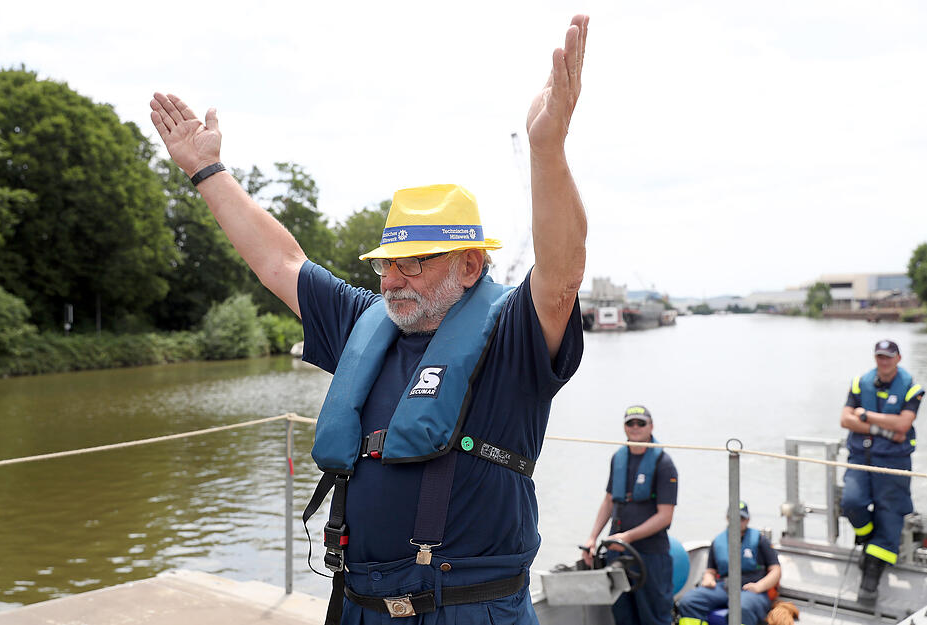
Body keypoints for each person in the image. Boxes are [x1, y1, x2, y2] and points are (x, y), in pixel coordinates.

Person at [150, 15, 589, 625]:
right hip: (358, 607)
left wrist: (546, 152)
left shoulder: (513, 337)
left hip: (467, 611)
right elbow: (281, 261)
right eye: (385, 264)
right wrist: (207, 171)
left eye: (411, 265)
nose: (390, 280)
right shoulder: (367, 321)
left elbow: (561, 276)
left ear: (468, 266)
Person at [840, 339, 923, 604]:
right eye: (879, 357)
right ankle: (865, 536)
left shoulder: (912, 388)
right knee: (851, 501)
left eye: (888, 357)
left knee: (890, 515)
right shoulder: (859, 383)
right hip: (860, 457)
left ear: (898, 358)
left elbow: (904, 424)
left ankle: (871, 574)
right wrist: (882, 428)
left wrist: (866, 417)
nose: (883, 361)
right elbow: (844, 419)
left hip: (894, 462)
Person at [581, 405, 678, 625]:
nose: (635, 427)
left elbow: (665, 516)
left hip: (651, 556)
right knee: (623, 618)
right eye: (630, 423)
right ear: (624, 427)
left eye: (640, 423)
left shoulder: (664, 464)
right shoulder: (618, 458)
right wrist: (592, 538)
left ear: (651, 426)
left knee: (654, 619)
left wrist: (627, 538)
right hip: (618, 556)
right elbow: (608, 501)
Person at [676, 502, 781, 625]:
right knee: (688, 602)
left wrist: (759, 586)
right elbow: (710, 570)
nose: (737, 521)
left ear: (747, 520)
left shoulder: (760, 540)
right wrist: (708, 579)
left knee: (742, 608)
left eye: (741, 518)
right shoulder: (718, 542)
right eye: (733, 517)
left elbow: (776, 570)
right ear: (727, 518)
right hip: (724, 587)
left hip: (751, 589)